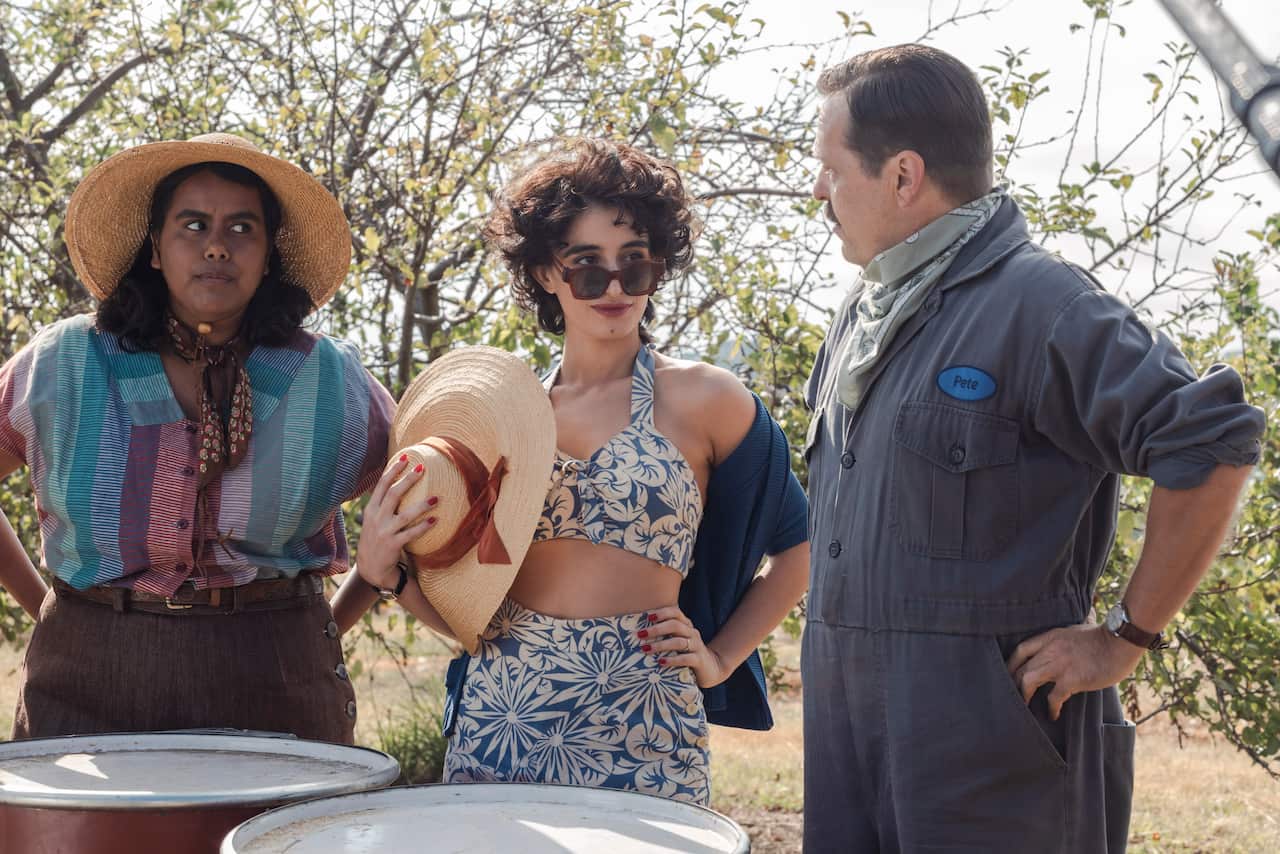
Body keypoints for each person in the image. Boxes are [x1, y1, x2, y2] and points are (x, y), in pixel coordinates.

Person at [801, 43, 1266, 853]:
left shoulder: (1042, 305)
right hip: (848, 754)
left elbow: (1214, 441)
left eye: (831, 170)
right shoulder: (861, 315)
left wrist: (1125, 637)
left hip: (991, 760)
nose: (818, 192)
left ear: (903, 176)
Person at [335, 138, 810, 805]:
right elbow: (461, 609)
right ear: (545, 274)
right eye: (587, 268)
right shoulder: (501, 416)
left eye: (634, 266)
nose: (614, 288)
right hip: (504, 711)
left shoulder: (710, 400)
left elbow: (800, 550)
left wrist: (720, 657)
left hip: (647, 715)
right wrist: (386, 573)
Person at [0, 133, 394, 743]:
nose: (216, 246)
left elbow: (424, 501)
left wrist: (332, 620)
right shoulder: (64, 362)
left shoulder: (330, 379)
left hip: (280, 683)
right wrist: (51, 607)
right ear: (155, 248)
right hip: (83, 684)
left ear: (268, 256)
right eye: (193, 225)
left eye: (242, 229)